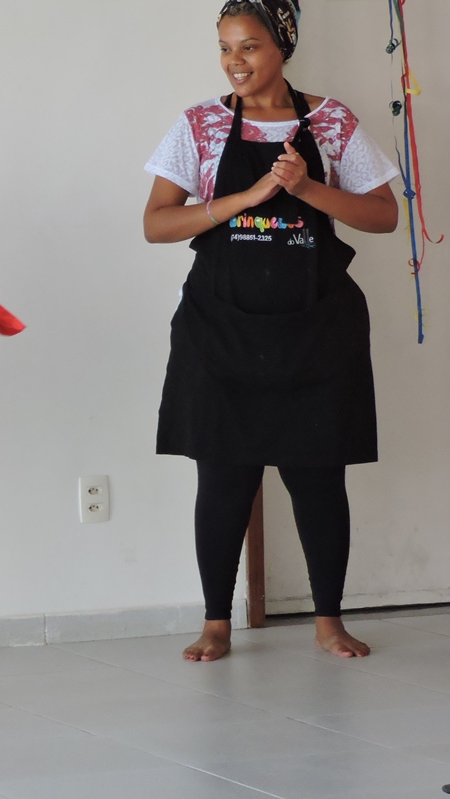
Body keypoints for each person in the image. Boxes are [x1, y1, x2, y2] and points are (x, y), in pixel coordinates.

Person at [143, 0, 400, 663]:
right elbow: (157, 223)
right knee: (223, 476)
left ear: (283, 45)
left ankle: (328, 621)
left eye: (250, 46)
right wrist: (245, 198)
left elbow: (383, 215)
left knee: (318, 476)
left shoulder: (331, 121)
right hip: (219, 330)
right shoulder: (200, 125)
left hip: (317, 330)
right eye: (225, 47)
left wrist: (307, 188)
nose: (235, 61)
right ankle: (216, 623)